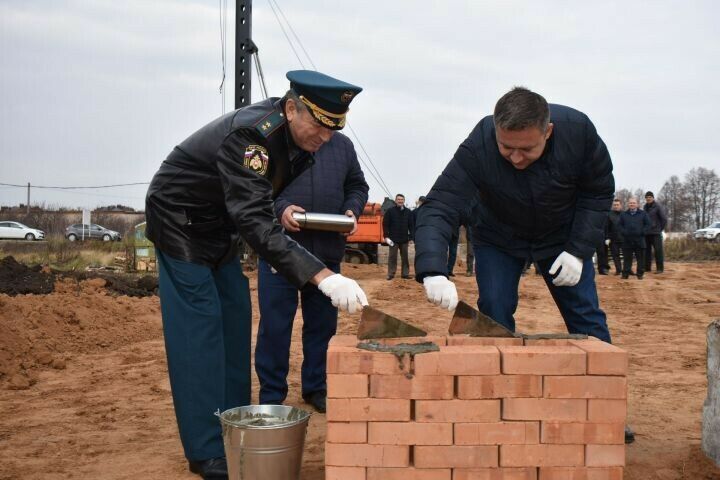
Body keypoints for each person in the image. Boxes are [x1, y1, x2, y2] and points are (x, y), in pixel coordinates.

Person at [145, 70, 369, 479]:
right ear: (290, 108)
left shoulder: (304, 140)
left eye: (333, 130)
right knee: (200, 333)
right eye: (319, 127)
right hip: (181, 223)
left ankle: (236, 427)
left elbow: (255, 206)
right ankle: (207, 451)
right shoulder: (251, 139)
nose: (325, 138)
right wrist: (322, 277)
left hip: (221, 228)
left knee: (234, 323)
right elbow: (257, 219)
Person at [415, 86, 614, 343]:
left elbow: (598, 192)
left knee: (585, 314)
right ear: (496, 131)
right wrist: (433, 270)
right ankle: (499, 379)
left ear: (548, 131)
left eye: (527, 149)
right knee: (494, 311)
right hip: (498, 237)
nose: (517, 158)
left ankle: (602, 380)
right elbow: (440, 205)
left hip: (561, 239)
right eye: (507, 147)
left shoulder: (578, 133)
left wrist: (578, 250)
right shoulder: (480, 143)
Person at [255, 132, 368, 413]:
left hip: (326, 252)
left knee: (322, 327)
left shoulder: (343, 146)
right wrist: (281, 208)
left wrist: (352, 209)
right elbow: (257, 189)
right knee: (275, 326)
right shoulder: (275, 141)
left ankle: (316, 387)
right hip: (280, 251)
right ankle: (272, 394)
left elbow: (357, 185)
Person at [383, 193, 415, 280]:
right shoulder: (390, 211)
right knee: (392, 257)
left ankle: (405, 274)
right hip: (393, 239)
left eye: (402, 199)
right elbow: (385, 225)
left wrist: (411, 237)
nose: (400, 201)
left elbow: (411, 226)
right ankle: (391, 274)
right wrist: (386, 236)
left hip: (404, 239)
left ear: (404, 201)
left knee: (405, 257)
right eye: (398, 199)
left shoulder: (408, 212)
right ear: (396, 200)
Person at [619, 197, 650, 279]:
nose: (632, 204)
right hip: (627, 240)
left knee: (640, 259)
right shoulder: (623, 214)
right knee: (627, 259)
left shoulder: (643, 214)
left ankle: (640, 274)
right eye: (630, 203)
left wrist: (643, 232)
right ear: (628, 204)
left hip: (639, 240)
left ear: (637, 204)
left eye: (633, 203)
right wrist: (624, 232)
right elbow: (619, 226)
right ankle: (625, 274)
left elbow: (648, 225)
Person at [643, 191, 667, 273]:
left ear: (653, 198)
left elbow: (664, 219)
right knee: (647, 251)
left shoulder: (658, 206)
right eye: (647, 197)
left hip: (656, 233)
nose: (648, 198)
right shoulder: (645, 207)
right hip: (646, 233)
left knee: (658, 251)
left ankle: (660, 269)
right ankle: (647, 268)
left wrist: (659, 229)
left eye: (650, 197)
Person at [606, 198, 624, 275]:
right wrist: (607, 237)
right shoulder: (609, 214)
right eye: (614, 205)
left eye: (617, 205)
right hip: (613, 239)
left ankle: (627, 269)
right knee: (615, 255)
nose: (616, 206)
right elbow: (606, 227)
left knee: (627, 255)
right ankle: (618, 270)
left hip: (624, 238)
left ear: (621, 205)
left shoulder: (625, 214)